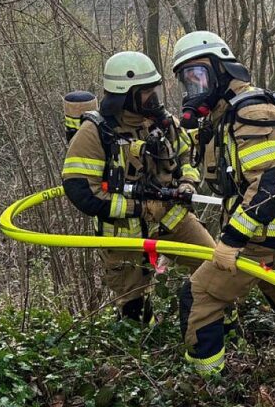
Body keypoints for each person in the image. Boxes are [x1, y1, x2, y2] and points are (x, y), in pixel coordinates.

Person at [170, 30, 275, 375]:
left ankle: (207, 383)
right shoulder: (230, 112)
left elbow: (272, 180)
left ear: (220, 68)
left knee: (199, 296)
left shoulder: (251, 110)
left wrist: (232, 240)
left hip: (260, 235)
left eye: (198, 76)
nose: (194, 88)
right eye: (188, 81)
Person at [61, 50, 214, 323]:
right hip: (124, 234)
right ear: (126, 95)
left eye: (154, 89)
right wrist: (140, 208)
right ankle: (143, 340)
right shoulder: (94, 134)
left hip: (171, 218)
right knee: (134, 308)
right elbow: (83, 193)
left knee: (214, 266)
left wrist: (188, 182)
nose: (154, 97)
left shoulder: (162, 123)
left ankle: (209, 324)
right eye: (146, 91)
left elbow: (186, 155)